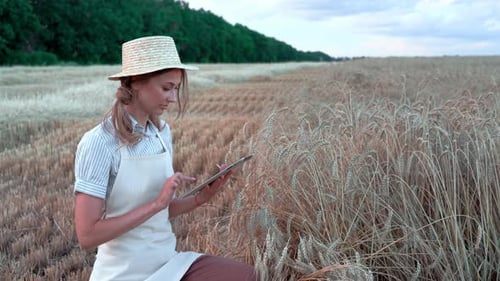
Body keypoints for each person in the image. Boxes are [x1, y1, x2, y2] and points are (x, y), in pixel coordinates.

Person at [73, 36, 257, 281]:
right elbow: (87, 235)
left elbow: (161, 212)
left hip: (167, 261)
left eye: (176, 89)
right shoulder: (99, 142)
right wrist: (156, 204)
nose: (173, 98)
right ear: (136, 83)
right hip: (123, 273)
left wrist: (202, 197)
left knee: (250, 276)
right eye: (166, 88)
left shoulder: (160, 133)